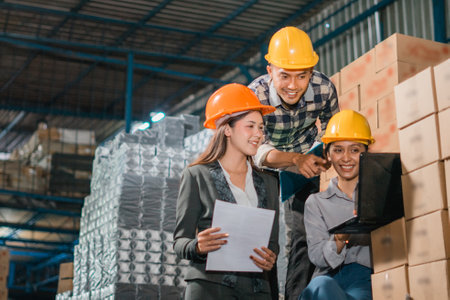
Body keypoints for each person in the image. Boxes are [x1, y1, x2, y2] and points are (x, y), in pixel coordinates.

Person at [248, 26, 339, 298]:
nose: (293, 85)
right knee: (264, 239)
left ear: (311, 71)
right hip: (263, 163)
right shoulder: (255, 96)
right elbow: (255, 149)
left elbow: (332, 129)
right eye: (284, 75)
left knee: (304, 232)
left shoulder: (324, 89)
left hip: (304, 160)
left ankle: (296, 296)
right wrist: (293, 160)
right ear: (270, 70)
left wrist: (322, 156)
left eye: (302, 76)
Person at [173, 83, 280, 300]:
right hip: (209, 288)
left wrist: (271, 257)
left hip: (257, 289)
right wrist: (197, 246)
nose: (258, 134)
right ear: (227, 129)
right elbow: (179, 242)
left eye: (261, 127)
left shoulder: (269, 181)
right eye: (250, 126)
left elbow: (272, 243)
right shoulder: (197, 175)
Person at [300, 110, 374, 300]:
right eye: (338, 150)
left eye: (355, 150)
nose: (346, 158)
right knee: (321, 286)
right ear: (328, 155)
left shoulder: (378, 196)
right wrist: (340, 239)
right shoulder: (316, 203)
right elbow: (317, 256)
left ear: (367, 153)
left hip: (364, 279)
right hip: (327, 278)